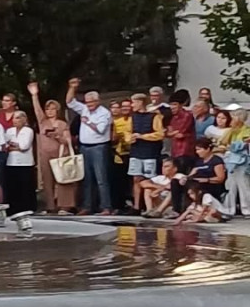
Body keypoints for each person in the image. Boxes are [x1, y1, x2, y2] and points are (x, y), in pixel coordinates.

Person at [65, 80, 115, 215]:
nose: (89, 105)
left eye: (91, 102)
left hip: (99, 147)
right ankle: (87, 206)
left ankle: (106, 206)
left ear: (97, 101)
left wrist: (88, 121)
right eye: (87, 102)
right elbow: (69, 102)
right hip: (84, 147)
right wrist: (72, 88)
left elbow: (100, 129)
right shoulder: (85, 109)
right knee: (86, 178)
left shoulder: (104, 113)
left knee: (101, 178)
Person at [27, 82, 77, 214]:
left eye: (52, 109)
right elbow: (37, 109)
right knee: (47, 181)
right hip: (45, 154)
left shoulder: (62, 123)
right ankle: (50, 206)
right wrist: (34, 95)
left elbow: (67, 140)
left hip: (60, 154)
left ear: (57, 110)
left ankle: (64, 206)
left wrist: (56, 135)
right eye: (48, 109)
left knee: (63, 180)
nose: (49, 111)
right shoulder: (43, 122)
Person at [127, 92, 165, 211]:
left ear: (140, 102)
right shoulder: (132, 117)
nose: (132, 105)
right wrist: (130, 139)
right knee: (136, 178)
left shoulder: (154, 116)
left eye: (134, 103)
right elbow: (127, 132)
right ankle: (137, 206)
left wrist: (143, 136)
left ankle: (151, 205)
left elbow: (160, 134)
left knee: (149, 178)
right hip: (136, 151)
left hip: (149, 152)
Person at [1, 109, 37, 214]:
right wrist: (15, 146)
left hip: (25, 162)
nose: (14, 120)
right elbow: (6, 146)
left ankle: (27, 207)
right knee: (12, 186)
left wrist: (14, 145)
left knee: (25, 186)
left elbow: (24, 146)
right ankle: (13, 208)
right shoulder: (9, 131)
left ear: (24, 119)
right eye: (13, 118)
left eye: (17, 118)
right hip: (11, 162)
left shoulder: (28, 131)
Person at [188, 139, 227, 214]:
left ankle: (200, 208)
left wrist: (207, 180)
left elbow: (220, 178)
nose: (197, 152)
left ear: (208, 149)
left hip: (211, 184)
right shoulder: (199, 161)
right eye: (196, 150)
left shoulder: (216, 160)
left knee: (197, 187)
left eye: (199, 149)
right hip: (197, 181)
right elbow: (191, 175)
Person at [166, 90, 197, 172]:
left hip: (185, 151)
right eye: (171, 104)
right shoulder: (172, 117)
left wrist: (170, 133)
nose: (172, 107)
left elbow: (180, 133)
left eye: (175, 104)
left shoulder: (187, 115)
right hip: (174, 151)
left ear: (181, 105)